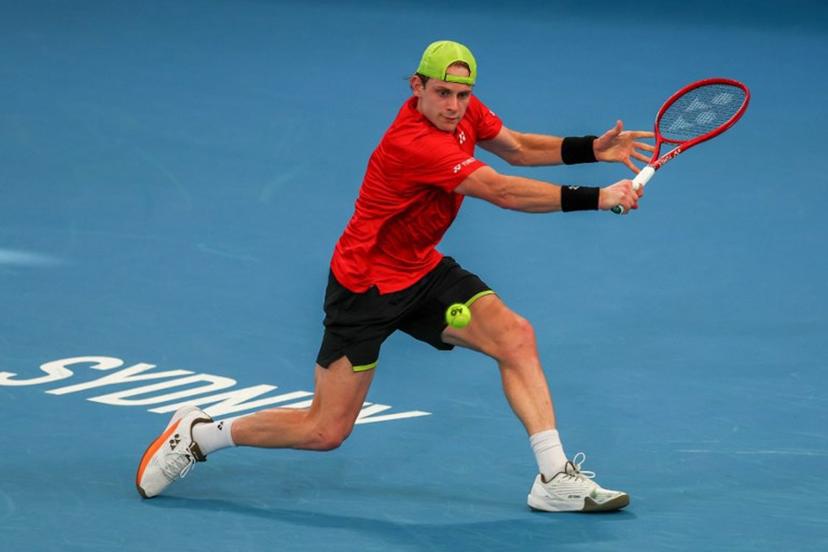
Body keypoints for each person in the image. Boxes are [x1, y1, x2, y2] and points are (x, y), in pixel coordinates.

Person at [136, 40, 652, 513]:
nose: (454, 106)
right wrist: (599, 196)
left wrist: (590, 149)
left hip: (422, 271)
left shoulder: (464, 114)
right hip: (365, 288)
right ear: (417, 87)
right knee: (325, 431)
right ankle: (201, 435)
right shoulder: (413, 142)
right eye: (443, 93)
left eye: (463, 94)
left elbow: (515, 147)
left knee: (515, 336)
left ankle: (553, 477)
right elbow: (501, 190)